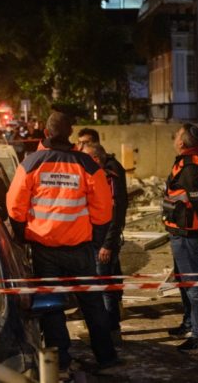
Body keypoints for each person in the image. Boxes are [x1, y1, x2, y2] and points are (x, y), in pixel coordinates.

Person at [6, 112, 119, 376]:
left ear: (45, 133)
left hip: (45, 249)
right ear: (70, 134)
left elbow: (14, 207)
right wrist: (95, 239)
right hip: (80, 248)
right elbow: (104, 209)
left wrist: (23, 236)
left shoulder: (31, 163)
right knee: (92, 303)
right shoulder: (87, 164)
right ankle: (106, 356)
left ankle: (62, 361)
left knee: (52, 305)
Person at [163, 123, 198, 354]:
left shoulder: (192, 165)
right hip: (180, 230)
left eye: (177, 135)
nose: (174, 138)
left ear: (183, 141)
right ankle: (189, 324)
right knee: (184, 281)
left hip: (188, 232)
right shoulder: (188, 160)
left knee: (193, 284)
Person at [81, 142, 128, 345]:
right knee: (101, 288)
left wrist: (107, 244)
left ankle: (111, 332)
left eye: (85, 158)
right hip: (94, 241)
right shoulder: (96, 178)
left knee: (105, 289)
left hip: (103, 244)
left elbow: (116, 215)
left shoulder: (109, 178)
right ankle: (106, 331)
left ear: (95, 159)